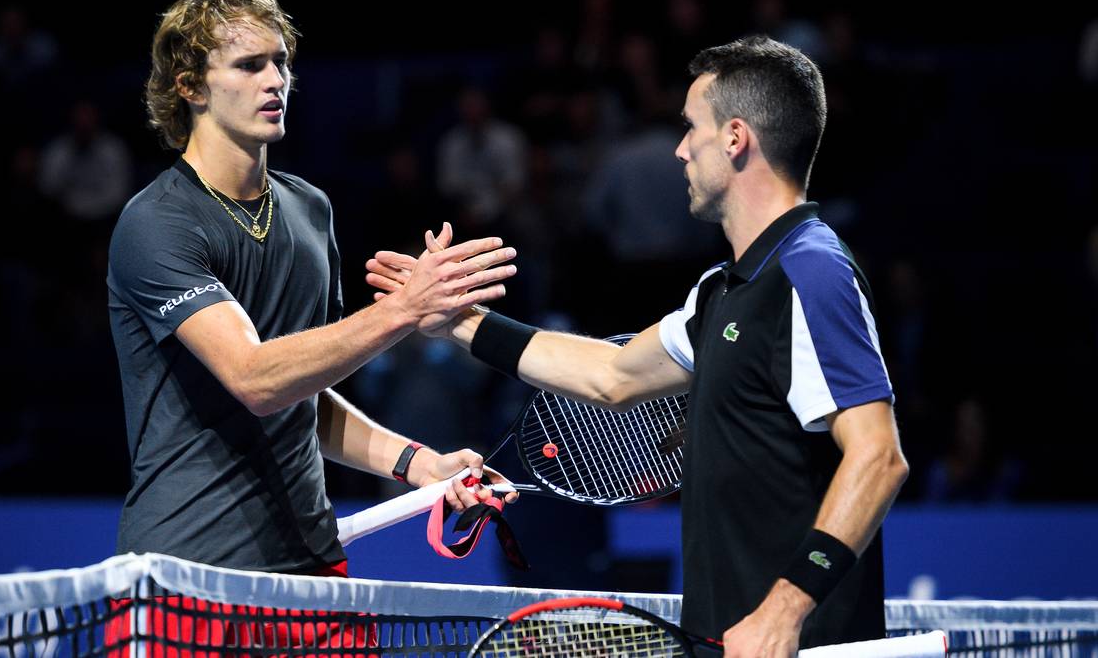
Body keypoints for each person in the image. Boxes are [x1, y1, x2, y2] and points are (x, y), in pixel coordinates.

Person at [368, 36, 908, 656]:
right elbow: (614, 374)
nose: (679, 150)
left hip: (800, 645)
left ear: (735, 138)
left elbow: (877, 457)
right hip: (726, 638)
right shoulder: (724, 290)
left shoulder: (811, 270)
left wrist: (785, 611)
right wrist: (456, 323)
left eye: (690, 129)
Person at [106, 0, 518, 585]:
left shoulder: (309, 210)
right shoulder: (156, 224)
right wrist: (403, 309)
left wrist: (417, 463)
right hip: (185, 575)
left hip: (312, 567)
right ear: (190, 86)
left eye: (280, 63)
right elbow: (254, 379)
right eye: (248, 65)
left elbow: (302, 391)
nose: (275, 80)